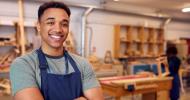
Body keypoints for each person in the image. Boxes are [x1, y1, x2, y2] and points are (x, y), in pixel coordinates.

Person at [10, 1, 104, 100]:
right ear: (38, 26)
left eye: (64, 24)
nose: (58, 29)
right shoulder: (23, 64)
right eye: (50, 22)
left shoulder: (82, 64)